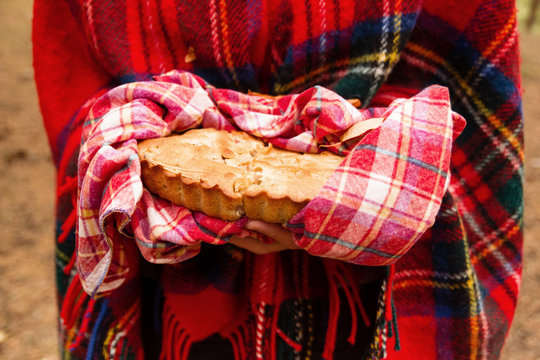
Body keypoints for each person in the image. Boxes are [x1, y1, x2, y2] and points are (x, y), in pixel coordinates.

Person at [33, 0, 523, 359]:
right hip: (160, 271)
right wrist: (123, 154)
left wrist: (359, 181)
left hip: (359, 297)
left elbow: (468, 92)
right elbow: (72, 72)